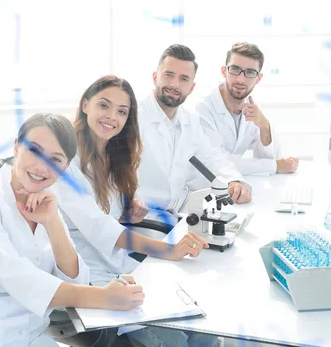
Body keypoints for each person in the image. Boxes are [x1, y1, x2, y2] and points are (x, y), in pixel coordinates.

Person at [0, 113, 145, 347]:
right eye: (34, 151)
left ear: (65, 167)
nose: (41, 167)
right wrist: (104, 297)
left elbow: (78, 278)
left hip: (31, 335)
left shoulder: (47, 203)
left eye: (55, 160)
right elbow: (17, 277)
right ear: (16, 148)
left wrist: (52, 222)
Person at [56, 75, 216, 347]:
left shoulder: (115, 155)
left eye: (122, 111)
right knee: (174, 342)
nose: (112, 117)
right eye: (104, 106)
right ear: (85, 105)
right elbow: (98, 227)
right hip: (87, 278)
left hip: (120, 267)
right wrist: (166, 249)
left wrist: (127, 212)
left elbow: (105, 216)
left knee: (205, 333)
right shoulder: (65, 160)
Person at [137, 45, 252, 221]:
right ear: (155, 77)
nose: (174, 84)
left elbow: (212, 157)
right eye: (169, 75)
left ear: (191, 87)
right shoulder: (133, 117)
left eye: (184, 79)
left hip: (177, 211)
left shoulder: (189, 120)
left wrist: (234, 181)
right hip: (141, 218)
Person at [196, 42, 298, 175]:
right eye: (235, 69)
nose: (240, 79)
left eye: (250, 72)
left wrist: (264, 126)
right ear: (223, 71)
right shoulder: (202, 109)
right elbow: (217, 161)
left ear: (258, 78)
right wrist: (274, 166)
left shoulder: (251, 106)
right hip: (199, 187)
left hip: (232, 185)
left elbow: (269, 158)